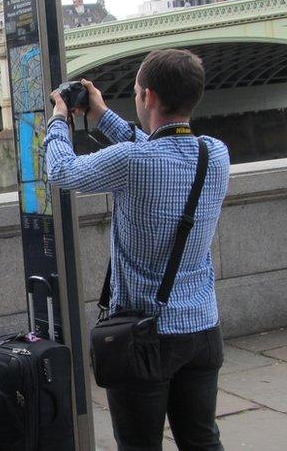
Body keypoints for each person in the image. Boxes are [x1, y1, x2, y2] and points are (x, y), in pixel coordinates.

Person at [44, 49, 229, 450]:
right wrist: (102, 117)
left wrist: (61, 119)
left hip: (145, 337)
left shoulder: (133, 162)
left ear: (147, 97)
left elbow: (61, 170)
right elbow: (160, 147)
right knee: (202, 440)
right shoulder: (215, 154)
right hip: (201, 328)